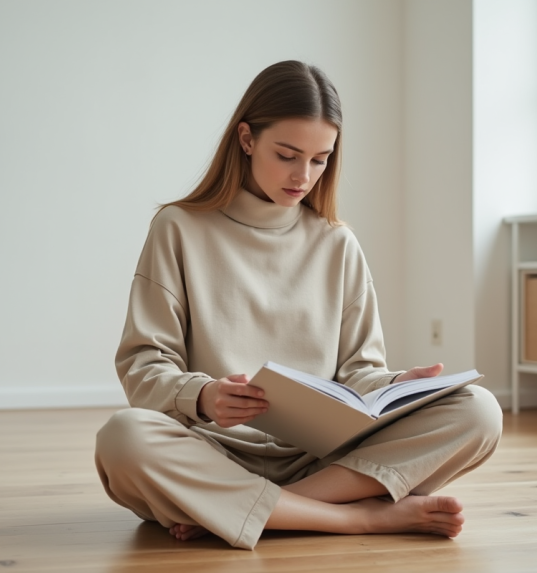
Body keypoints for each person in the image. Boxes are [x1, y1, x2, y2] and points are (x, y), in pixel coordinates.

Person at [94, 60, 503, 550]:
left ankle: (253, 509)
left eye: (319, 159)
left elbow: (359, 373)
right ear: (246, 139)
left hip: (322, 458)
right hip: (212, 449)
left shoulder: (337, 243)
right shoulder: (178, 228)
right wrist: (202, 396)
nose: (303, 176)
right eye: (287, 155)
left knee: (480, 411)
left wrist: (397, 386)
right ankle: (362, 519)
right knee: (123, 439)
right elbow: (143, 364)